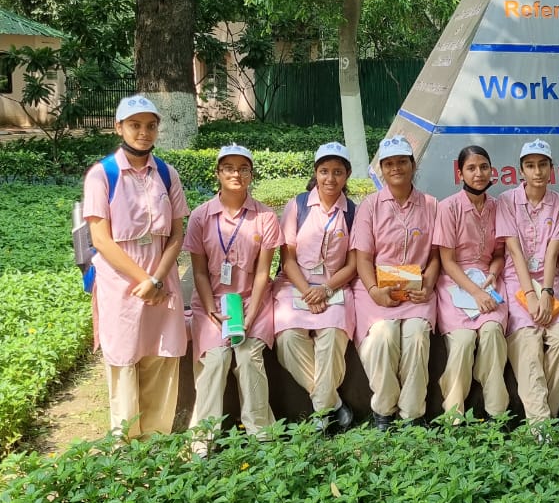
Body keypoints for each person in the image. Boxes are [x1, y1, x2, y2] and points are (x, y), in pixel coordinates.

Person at [82, 94, 188, 439]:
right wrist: (145, 280)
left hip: (162, 274)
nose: (144, 132)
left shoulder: (167, 174)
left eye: (150, 125)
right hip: (121, 281)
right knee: (124, 357)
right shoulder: (102, 175)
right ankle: (125, 443)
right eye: (135, 125)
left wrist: (157, 279)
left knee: (161, 354)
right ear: (119, 127)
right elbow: (101, 239)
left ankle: (156, 437)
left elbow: (176, 233)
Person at [183, 145, 282, 452]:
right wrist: (210, 309)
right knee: (216, 360)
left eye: (243, 168)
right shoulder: (201, 217)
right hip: (211, 304)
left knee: (249, 357)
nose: (236, 174)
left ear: (251, 174)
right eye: (229, 168)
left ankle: (261, 435)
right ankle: (202, 441)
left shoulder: (265, 217)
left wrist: (251, 315)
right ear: (218, 173)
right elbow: (200, 273)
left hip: (254, 302)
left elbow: (263, 272)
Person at [352, 135, 438, 429]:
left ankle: (412, 413)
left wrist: (428, 284)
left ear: (413, 165)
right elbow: (363, 258)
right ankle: (384, 410)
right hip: (377, 290)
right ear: (381, 169)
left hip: (417, 292)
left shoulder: (431, 205)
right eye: (389, 164)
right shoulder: (370, 206)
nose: (396, 168)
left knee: (417, 335)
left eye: (402, 162)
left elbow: (436, 256)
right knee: (383, 335)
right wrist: (375, 291)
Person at [273, 142, 358, 433]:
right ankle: (332, 403)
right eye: (324, 171)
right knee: (287, 340)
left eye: (337, 172)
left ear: (347, 175)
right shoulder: (297, 206)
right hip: (294, 285)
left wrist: (325, 290)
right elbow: (287, 259)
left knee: (333, 336)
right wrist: (308, 291)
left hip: (334, 287)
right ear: (315, 172)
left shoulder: (352, 212)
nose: (330, 178)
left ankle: (322, 413)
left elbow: (352, 264)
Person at [496, 138, 559, 432]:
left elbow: (553, 252)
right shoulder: (506, 201)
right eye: (530, 166)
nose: (537, 172)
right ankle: (541, 426)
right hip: (517, 282)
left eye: (543, 165)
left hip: (552, 282)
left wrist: (547, 293)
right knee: (528, 343)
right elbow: (514, 251)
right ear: (521, 170)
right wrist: (530, 294)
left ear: (552, 168)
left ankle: (543, 418)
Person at [434, 145, 509, 420]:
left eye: (484, 167)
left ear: (491, 170)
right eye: (471, 168)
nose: (479, 173)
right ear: (460, 174)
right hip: (455, 284)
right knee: (464, 341)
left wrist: (493, 274)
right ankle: (454, 414)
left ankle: (496, 412)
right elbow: (447, 261)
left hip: (489, 283)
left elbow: (499, 253)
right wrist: (476, 293)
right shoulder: (448, 207)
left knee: (492, 332)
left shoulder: (498, 207)